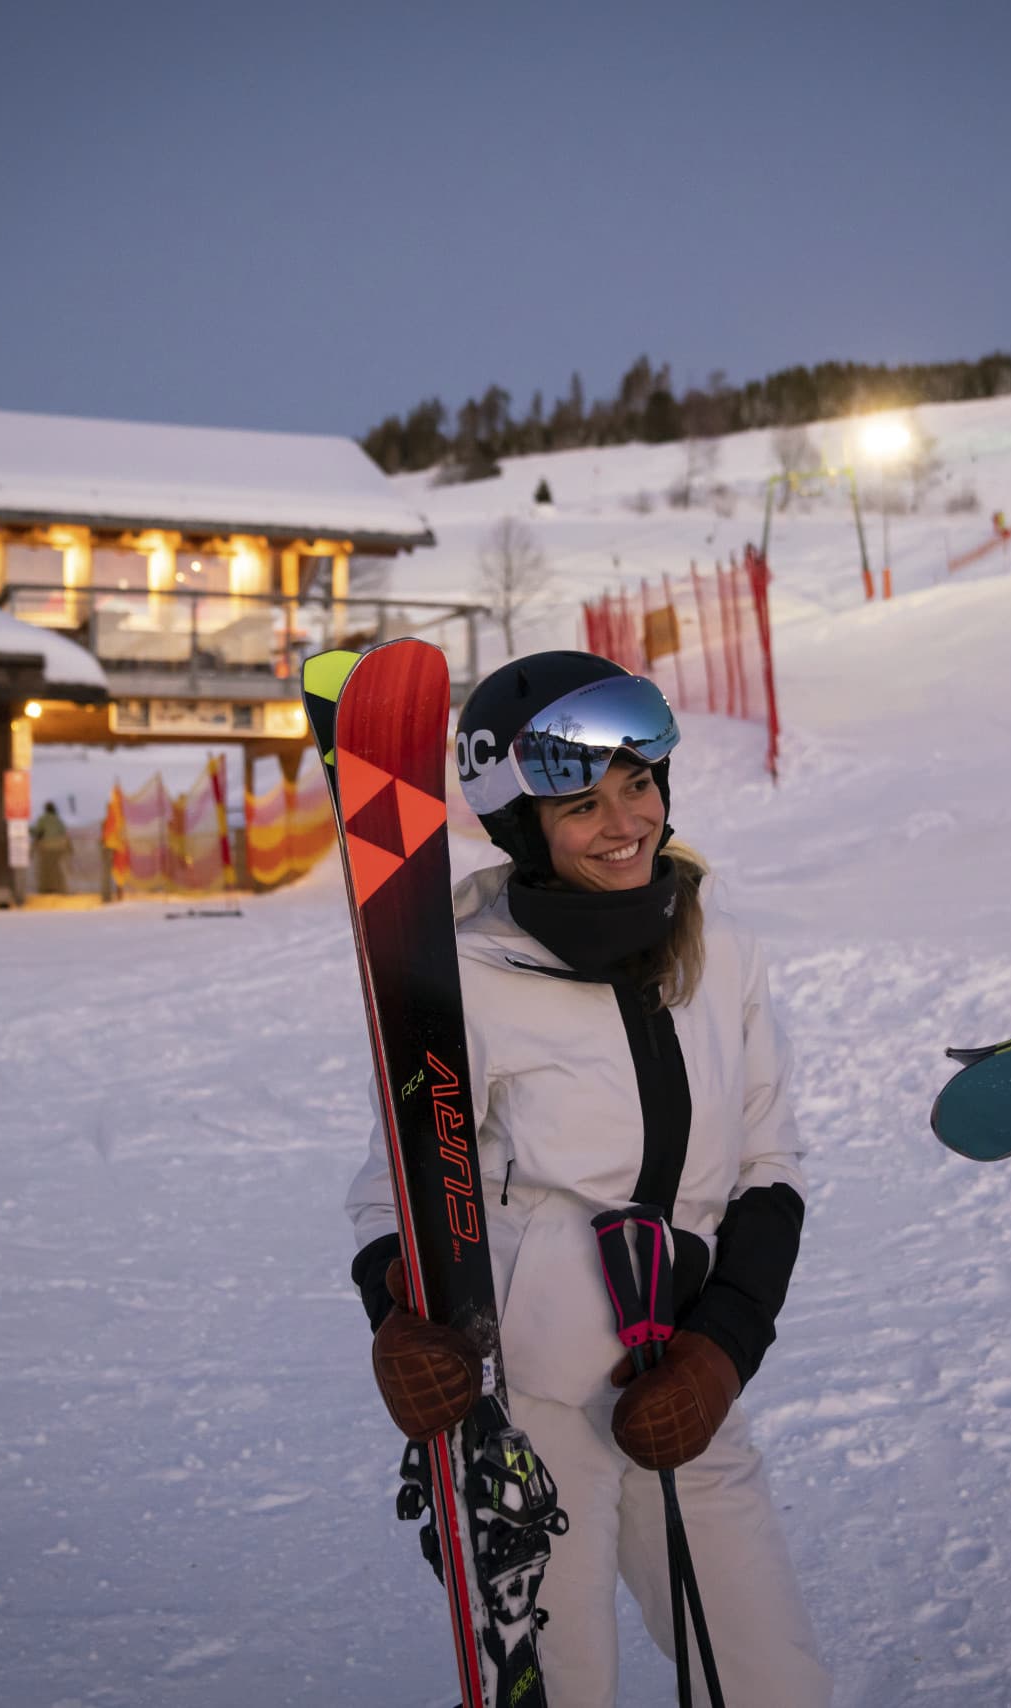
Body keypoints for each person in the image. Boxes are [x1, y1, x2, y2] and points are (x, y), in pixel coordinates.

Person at [345, 652, 830, 1707]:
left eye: (638, 784)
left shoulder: (725, 952)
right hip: (529, 1409)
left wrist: (720, 1353)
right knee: (567, 1689)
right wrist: (397, 1310)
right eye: (579, 806)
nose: (624, 824)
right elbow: (400, 1184)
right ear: (523, 828)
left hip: (681, 1387)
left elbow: (769, 1170)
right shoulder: (462, 976)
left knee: (774, 1685)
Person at [28, 800, 71, 895]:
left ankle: (46, 889)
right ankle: (59, 889)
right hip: (59, 847)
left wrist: (26, 829)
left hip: (46, 847)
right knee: (57, 870)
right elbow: (64, 833)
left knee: (45, 871)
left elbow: (37, 831)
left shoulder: (43, 819)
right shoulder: (58, 819)